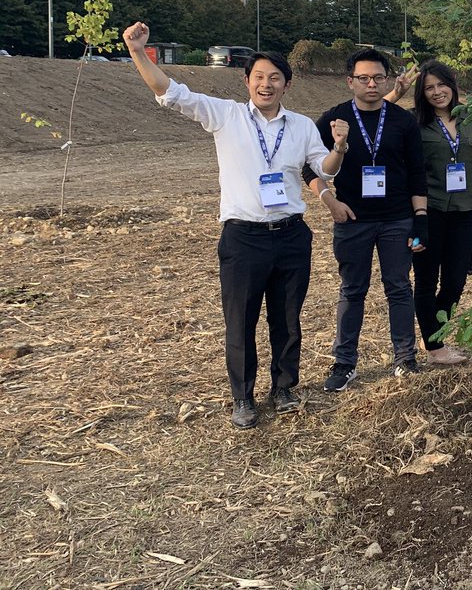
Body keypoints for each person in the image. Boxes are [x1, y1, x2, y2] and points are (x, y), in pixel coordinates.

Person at [122, 22, 346, 429]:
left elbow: (324, 170)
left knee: (288, 318)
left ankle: (283, 388)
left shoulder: (300, 126)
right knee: (240, 320)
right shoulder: (225, 115)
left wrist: (340, 149)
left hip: (292, 234)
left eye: (275, 78)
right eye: (259, 77)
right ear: (247, 81)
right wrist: (138, 51)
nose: (266, 84)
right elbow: (170, 92)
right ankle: (242, 397)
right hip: (244, 237)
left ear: (287, 85)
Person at [304, 50, 429, 392]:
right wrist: (329, 201)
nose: (371, 84)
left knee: (399, 288)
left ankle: (405, 359)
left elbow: (417, 173)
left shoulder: (403, 121)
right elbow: (308, 166)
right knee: (352, 290)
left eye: (378, 78)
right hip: (352, 220)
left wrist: (420, 219)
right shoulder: (334, 119)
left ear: (388, 80)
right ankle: (345, 363)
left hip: (397, 220)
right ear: (350, 81)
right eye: (363, 78)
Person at [405, 61, 472, 365]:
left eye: (441, 84)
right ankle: (434, 345)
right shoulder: (414, 122)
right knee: (426, 280)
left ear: (453, 85)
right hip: (427, 212)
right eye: (429, 87)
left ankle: (433, 330)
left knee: (456, 280)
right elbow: (378, 115)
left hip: (464, 211)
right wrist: (395, 92)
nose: (437, 92)